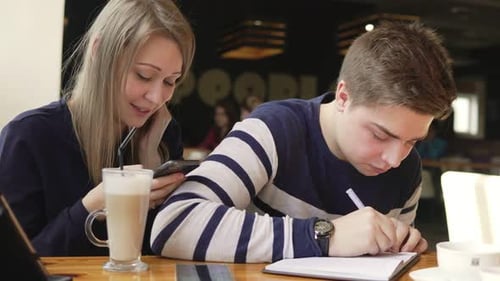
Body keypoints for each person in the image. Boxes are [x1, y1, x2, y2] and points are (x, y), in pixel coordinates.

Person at [150, 21, 456, 263]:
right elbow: (175, 224)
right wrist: (326, 236)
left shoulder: (407, 168)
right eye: (380, 135)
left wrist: (401, 245)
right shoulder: (275, 129)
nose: (394, 159)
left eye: (412, 141)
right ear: (343, 97)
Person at [0, 0, 195, 256]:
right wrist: (91, 207)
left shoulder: (164, 136)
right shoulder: (28, 138)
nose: (157, 98)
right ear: (99, 50)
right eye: (144, 76)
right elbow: (13, 264)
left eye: (171, 81)